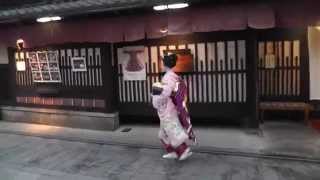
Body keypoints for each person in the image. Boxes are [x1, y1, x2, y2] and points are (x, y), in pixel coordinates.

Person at [152, 54, 196, 161]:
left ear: (164, 64)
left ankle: (183, 150)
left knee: (173, 132)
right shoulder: (173, 76)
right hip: (167, 108)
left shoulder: (168, 77)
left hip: (168, 109)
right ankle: (172, 152)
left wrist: (155, 95)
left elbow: (165, 93)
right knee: (163, 134)